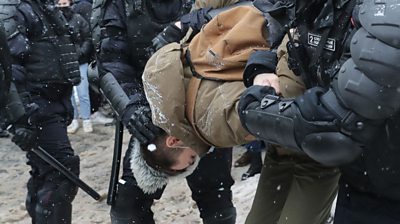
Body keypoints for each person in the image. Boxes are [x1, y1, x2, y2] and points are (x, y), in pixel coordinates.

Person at [140, 4, 339, 224]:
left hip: (309, 131)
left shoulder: (213, 127)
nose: (193, 162)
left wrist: (294, 41)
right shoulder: (163, 74)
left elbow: (280, 101)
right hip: (271, 15)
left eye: (188, 161)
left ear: (173, 140)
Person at [238, 0, 400, 223]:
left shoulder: (387, 11)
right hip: (360, 181)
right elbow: (295, 44)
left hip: (384, 186)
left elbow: (336, 128)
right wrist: (262, 67)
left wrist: (254, 110)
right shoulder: (318, 6)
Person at [91, 0, 238, 223]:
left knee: (217, 201)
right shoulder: (120, 5)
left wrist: (191, 23)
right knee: (128, 208)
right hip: (153, 113)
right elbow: (112, 63)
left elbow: (246, 12)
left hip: (205, 106)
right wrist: (132, 107)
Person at [0, 0, 81, 223]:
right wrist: (20, 118)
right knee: (61, 172)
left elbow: (59, 51)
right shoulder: (12, 9)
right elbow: (9, 68)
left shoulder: (42, 6)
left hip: (52, 102)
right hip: (35, 105)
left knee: (49, 173)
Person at [57, 0, 94, 133]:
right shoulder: (56, 21)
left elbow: (88, 38)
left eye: (64, 3)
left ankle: (86, 119)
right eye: (60, 4)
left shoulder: (78, 19)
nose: (62, 6)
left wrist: (82, 52)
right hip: (64, 63)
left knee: (83, 93)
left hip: (80, 62)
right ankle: (73, 119)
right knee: (69, 94)